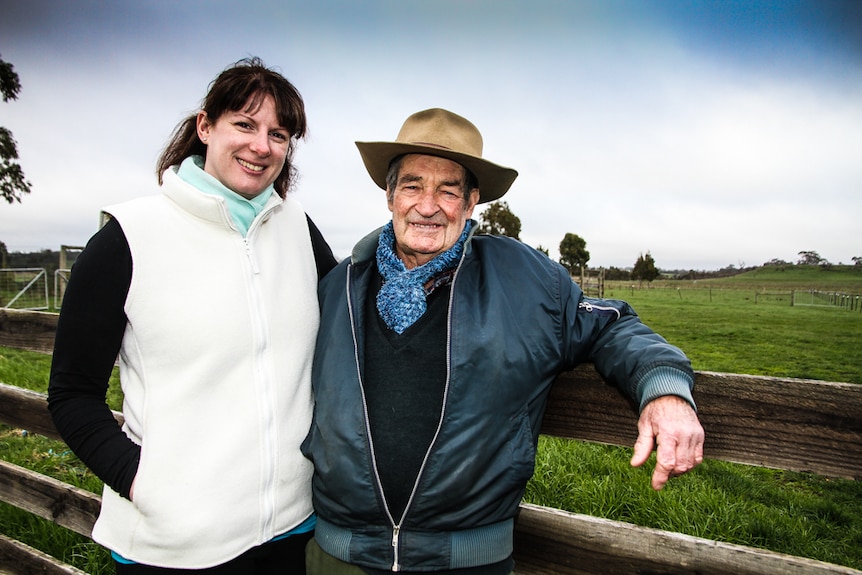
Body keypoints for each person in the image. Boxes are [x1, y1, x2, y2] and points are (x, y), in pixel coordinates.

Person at [301, 108, 705, 574]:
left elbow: (611, 325)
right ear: (390, 195)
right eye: (412, 185)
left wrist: (665, 391)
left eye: (447, 190)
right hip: (340, 557)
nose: (427, 205)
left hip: (468, 563)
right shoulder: (340, 286)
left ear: (471, 202)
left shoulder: (525, 280)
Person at [48, 57, 336, 574]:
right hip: (175, 545)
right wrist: (146, 484)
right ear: (206, 126)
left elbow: (346, 331)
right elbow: (70, 394)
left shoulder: (298, 229)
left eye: (279, 133)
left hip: (295, 529)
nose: (261, 145)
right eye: (244, 124)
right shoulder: (129, 238)